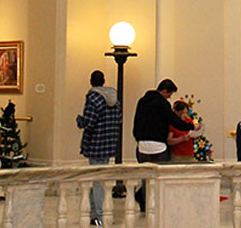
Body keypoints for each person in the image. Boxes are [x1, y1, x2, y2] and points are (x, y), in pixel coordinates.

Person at [133, 79, 200, 212]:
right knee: (160, 177)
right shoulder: (162, 104)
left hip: (142, 145)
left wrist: (138, 137)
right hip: (159, 146)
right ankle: (158, 204)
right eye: (169, 94)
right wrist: (191, 126)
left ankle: (144, 204)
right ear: (164, 91)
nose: (170, 97)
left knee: (146, 177)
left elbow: (136, 121)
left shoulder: (142, 101)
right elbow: (174, 121)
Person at [75, 70, 122, 226]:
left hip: (95, 142)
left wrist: (79, 120)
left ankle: (98, 215)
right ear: (104, 80)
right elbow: (119, 119)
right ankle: (95, 212)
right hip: (109, 142)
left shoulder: (93, 98)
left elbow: (89, 122)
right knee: (99, 179)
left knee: (95, 180)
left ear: (91, 81)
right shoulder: (115, 99)